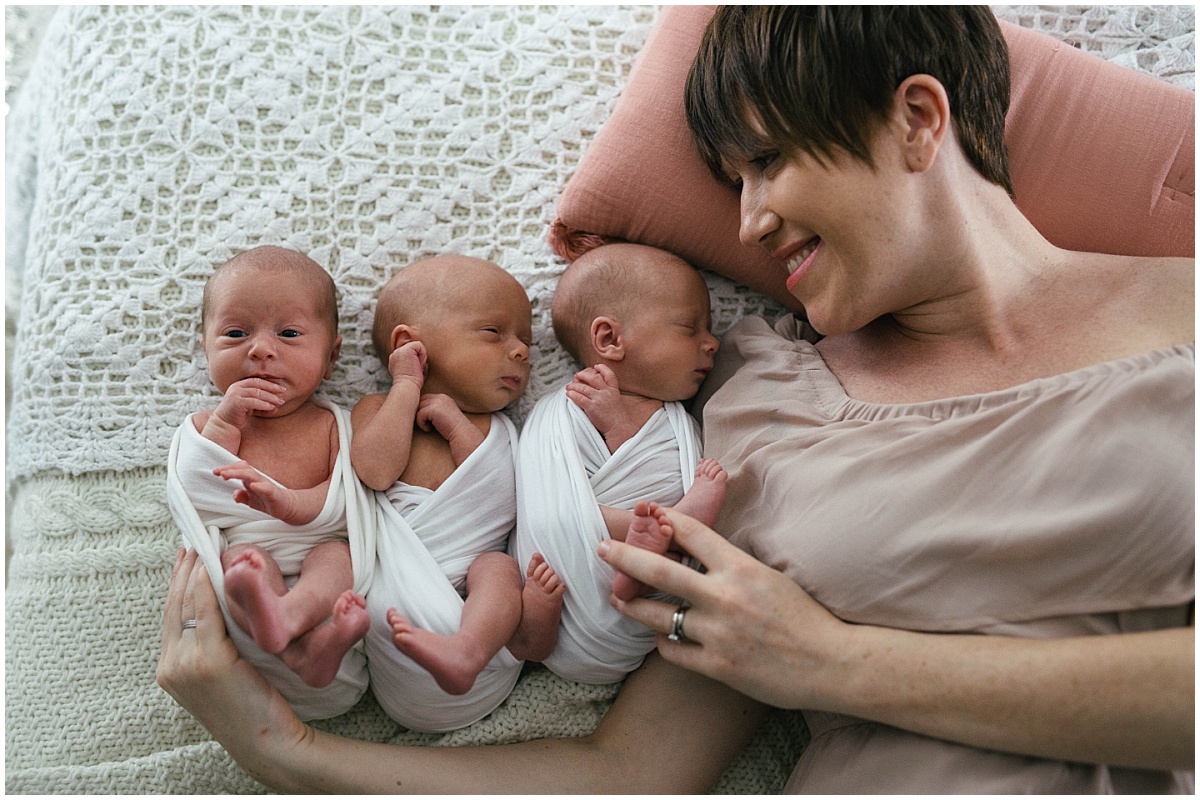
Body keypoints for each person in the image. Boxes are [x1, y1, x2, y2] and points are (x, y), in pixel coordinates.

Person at [157, 7, 1193, 792]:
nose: (747, 223)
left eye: (768, 161)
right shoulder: (758, 410)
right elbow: (625, 769)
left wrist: (834, 663)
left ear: (918, 117)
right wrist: (283, 748)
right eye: (727, 180)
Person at [349, 254, 564, 729]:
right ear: (410, 344)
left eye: (525, 340)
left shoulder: (500, 428)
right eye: (494, 332)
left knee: (498, 567)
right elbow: (375, 473)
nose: (521, 352)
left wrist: (453, 425)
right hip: (401, 590)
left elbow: (500, 497)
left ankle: (494, 643)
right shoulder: (377, 408)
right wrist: (407, 386)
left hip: (478, 607)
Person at [513, 243, 727, 684]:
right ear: (609, 340)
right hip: (572, 580)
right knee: (561, 518)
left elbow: (661, 470)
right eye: (691, 327)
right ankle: (654, 537)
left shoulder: (677, 418)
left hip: (644, 602)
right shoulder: (570, 406)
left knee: (671, 520)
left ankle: (647, 555)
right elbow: (552, 495)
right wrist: (617, 425)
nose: (712, 342)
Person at [165, 245, 371, 700]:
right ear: (205, 347)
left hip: (316, 544)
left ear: (332, 356)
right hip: (249, 551)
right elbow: (198, 490)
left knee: (338, 559)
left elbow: (347, 499)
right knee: (238, 567)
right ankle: (290, 637)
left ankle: (294, 617)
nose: (260, 349)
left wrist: (291, 504)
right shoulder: (206, 425)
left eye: (290, 333)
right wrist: (227, 421)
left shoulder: (331, 424)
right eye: (236, 333)